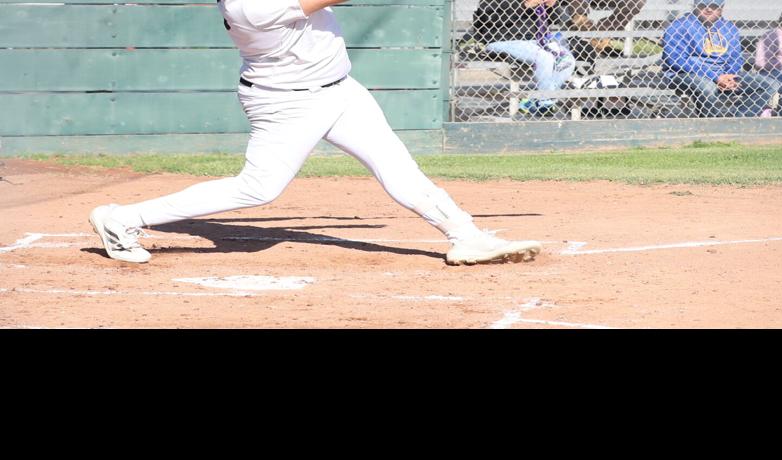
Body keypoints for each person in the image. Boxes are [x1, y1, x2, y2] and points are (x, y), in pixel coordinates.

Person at [88, 0, 540, 266]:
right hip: (287, 102)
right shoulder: (251, 7)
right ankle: (122, 218)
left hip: (341, 89)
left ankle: (465, 236)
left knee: (397, 166)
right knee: (257, 189)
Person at [661, 1, 777, 118]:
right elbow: (676, 60)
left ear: (721, 8)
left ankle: (736, 121)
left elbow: (735, 58)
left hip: (723, 75)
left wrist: (730, 75)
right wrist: (715, 77)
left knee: (771, 84)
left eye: (714, 6)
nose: (709, 9)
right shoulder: (679, 26)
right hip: (684, 74)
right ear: (695, 5)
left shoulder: (729, 28)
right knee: (707, 86)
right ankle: (711, 125)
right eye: (703, 5)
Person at [483, 0, 578, 118]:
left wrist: (552, 5)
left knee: (568, 61)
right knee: (545, 58)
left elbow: (555, 19)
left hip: (537, 42)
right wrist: (524, 6)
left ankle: (536, 100)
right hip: (501, 39)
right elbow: (487, 19)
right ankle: (544, 104)